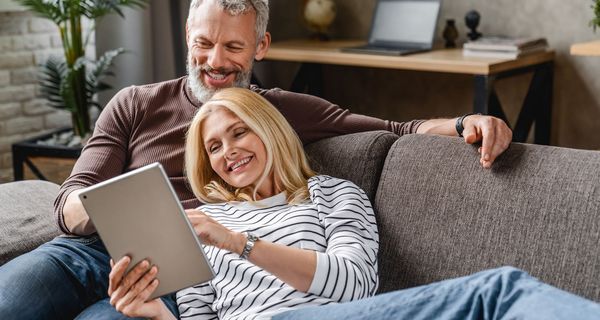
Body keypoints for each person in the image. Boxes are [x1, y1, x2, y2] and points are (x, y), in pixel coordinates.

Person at [0, 0, 511, 318]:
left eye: (232, 46)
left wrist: (468, 123)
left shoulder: (277, 111)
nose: (215, 61)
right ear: (187, 38)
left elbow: (391, 130)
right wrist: (106, 208)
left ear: (261, 46)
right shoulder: (135, 103)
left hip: (183, 272)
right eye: (203, 43)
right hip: (91, 249)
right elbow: (68, 199)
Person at [107, 87, 600, 320]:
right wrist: (154, 314)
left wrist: (240, 244)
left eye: (239, 132)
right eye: (213, 147)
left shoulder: (332, 194)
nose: (228, 151)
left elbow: (353, 285)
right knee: (499, 291)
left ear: (271, 129)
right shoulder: (206, 222)